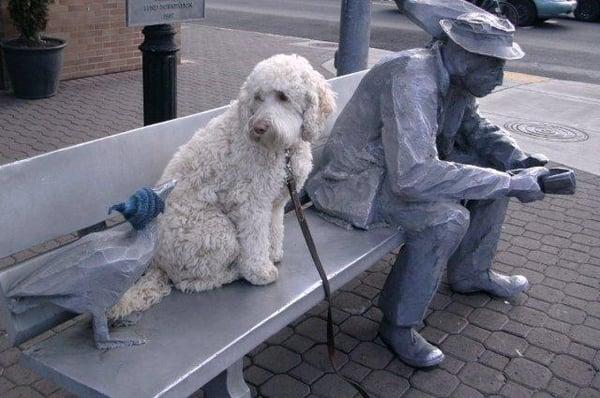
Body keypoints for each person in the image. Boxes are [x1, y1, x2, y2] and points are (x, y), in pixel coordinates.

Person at [305, 9, 550, 368]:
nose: (500, 78)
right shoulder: (412, 77)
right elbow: (414, 176)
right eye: (495, 66)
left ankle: (471, 272)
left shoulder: (455, 77)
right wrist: (510, 183)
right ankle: (398, 326)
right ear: (465, 55)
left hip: (395, 167)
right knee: (446, 220)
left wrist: (515, 159)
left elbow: (473, 125)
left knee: (495, 175)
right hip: (356, 184)